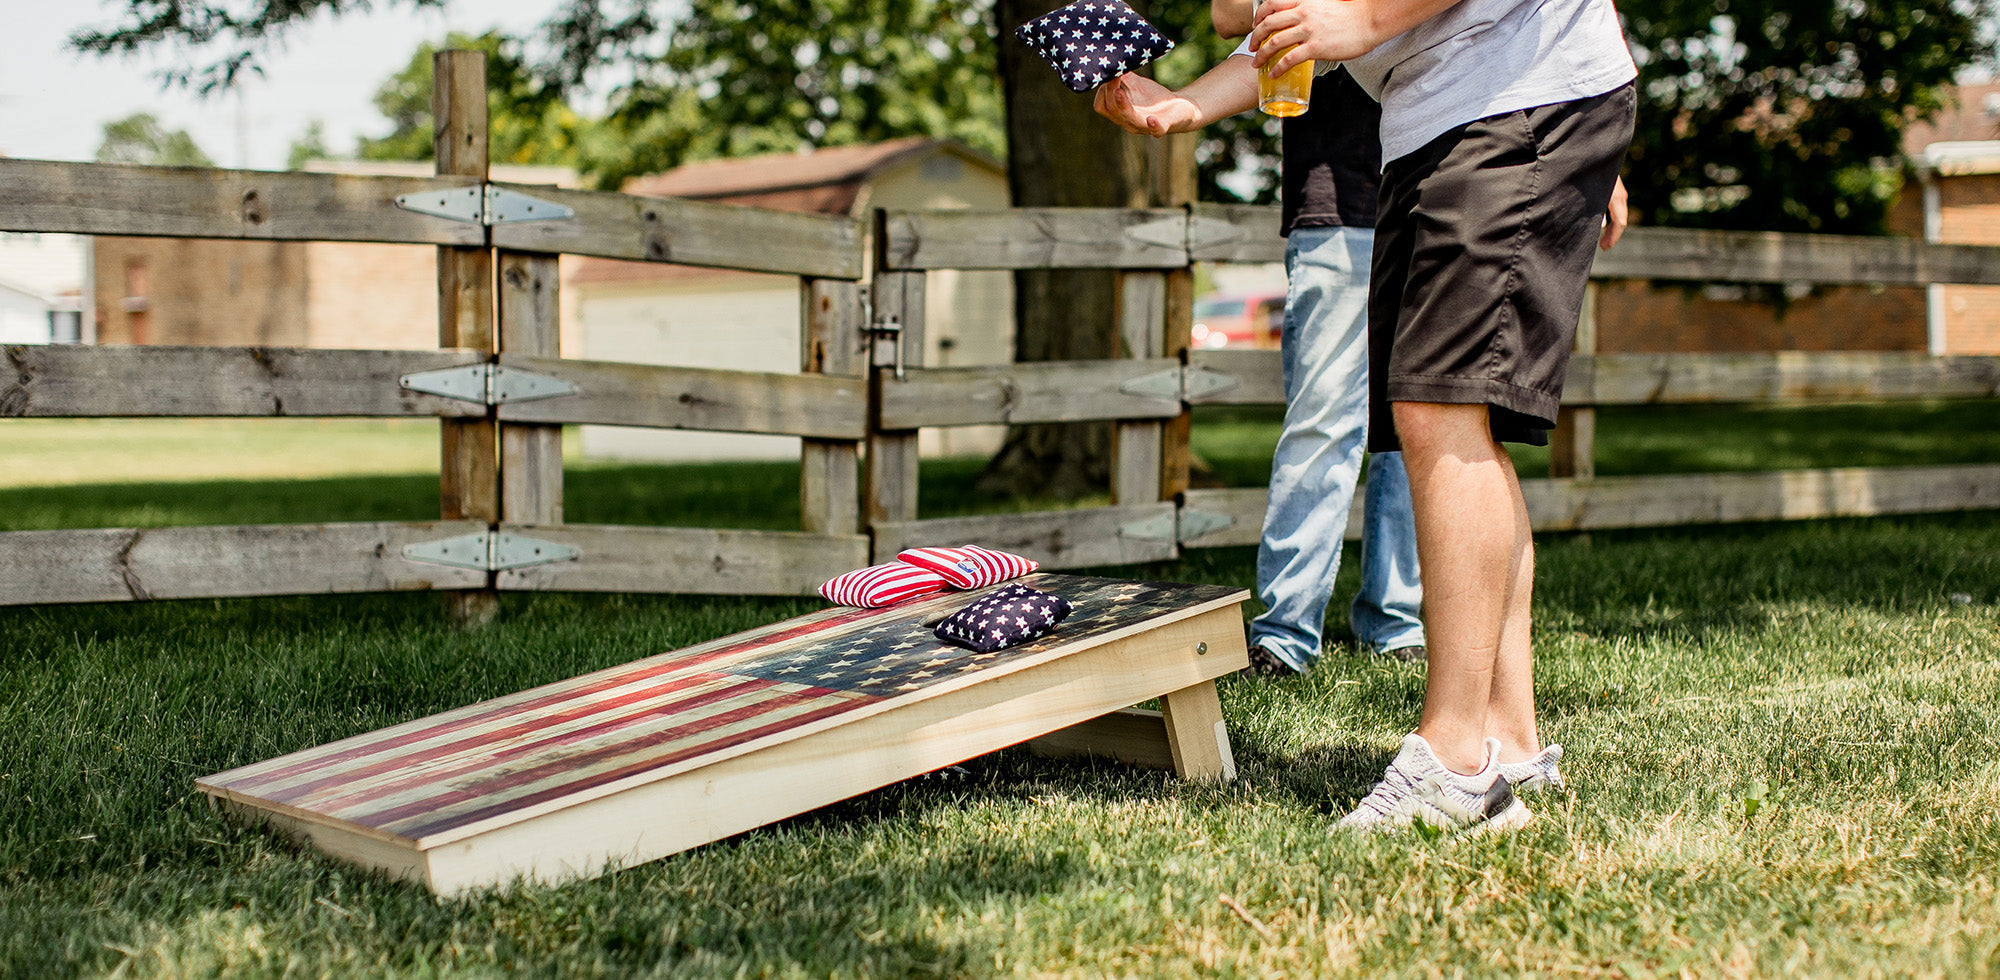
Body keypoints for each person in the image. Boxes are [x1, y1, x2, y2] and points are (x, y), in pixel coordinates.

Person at [1245, 0, 1636, 833]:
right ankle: (1512, 740)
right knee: (1449, 416)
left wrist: (1365, 21)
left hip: (1513, 97)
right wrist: (1180, 105)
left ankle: (1454, 762)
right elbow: (1276, 30)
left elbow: (1340, 23)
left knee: (1440, 408)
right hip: (1454, 113)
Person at [1094, 19, 1428, 682]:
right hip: (1343, 199)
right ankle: (1285, 632)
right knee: (1324, 418)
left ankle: (1398, 622)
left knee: (1422, 417)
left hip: (1441, 190)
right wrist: (1182, 102)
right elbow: (1226, 16)